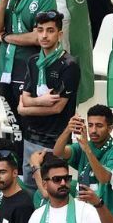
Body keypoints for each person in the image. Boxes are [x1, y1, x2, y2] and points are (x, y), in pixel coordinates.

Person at [19, 12, 82, 183]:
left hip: (54, 140)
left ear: (60, 34)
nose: (44, 35)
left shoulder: (69, 65)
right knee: (30, 185)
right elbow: (23, 102)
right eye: (40, 30)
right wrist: (40, 101)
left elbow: (56, 107)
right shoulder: (33, 61)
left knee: (52, 187)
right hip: (30, 136)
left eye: (50, 30)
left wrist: (26, 109)